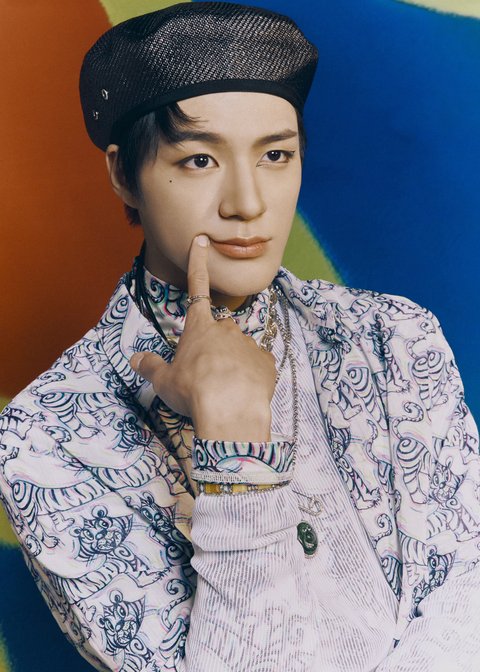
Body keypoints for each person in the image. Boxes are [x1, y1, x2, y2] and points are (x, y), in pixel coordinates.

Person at [0, 2, 479, 671]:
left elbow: (467, 606)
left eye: (276, 155)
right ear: (123, 175)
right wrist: (236, 452)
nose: (248, 203)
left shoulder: (393, 337)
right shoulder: (47, 438)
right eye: (200, 160)